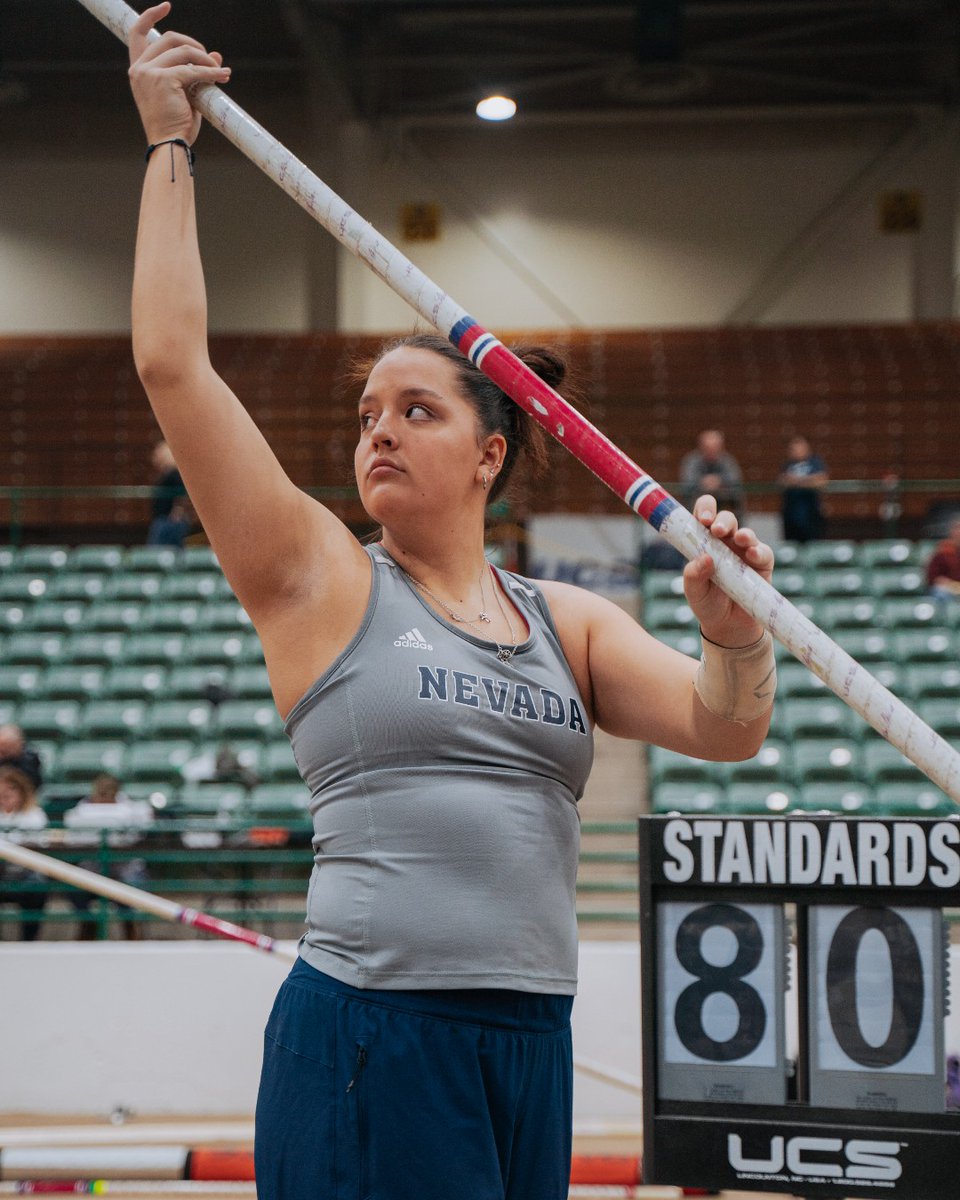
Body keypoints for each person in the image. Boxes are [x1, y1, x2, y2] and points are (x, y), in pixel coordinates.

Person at [126, 8, 777, 1198]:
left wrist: (735, 638)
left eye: (416, 410)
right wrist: (170, 145)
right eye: (368, 412)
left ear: (491, 456)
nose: (379, 428)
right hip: (374, 1031)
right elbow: (174, 364)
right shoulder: (321, 577)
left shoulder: (563, 620)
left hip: (529, 1042)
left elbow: (727, 727)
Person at [62, 773, 154, 940]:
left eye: (109, 791)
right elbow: (72, 837)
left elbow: (140, 833)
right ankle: (88, 923)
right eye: (101, 791)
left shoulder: (131, 809)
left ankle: (131, 928)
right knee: (73, 887)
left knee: (133, 884)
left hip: (124, 869)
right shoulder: (81, 810)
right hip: (92, 868)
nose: (104, 795)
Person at [0, 766, 49, 941]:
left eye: (11, 790)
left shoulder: (34, 814)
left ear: (22, 791)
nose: (5, 795)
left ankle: (29, 939)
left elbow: (39, 841)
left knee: (37, 886)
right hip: (2, 872)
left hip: (26, 871)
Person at [679, 428, 744, 518]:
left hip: (722, 498)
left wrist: (719, 481)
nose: (711, 451)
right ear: (701, 447)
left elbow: (735, 480)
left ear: (721, 447)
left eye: (714, 447)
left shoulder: (728, 460)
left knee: (736, 497)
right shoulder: (692, 460)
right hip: (698, 499)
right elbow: (687, 482)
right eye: (708, 448)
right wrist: (703, 482)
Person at [777, 435, 829, 543]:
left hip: (811, 511)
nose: (795, 451)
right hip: (791, 512)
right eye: (792, 449)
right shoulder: (787, 465)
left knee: (812, 542)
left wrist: (797, 481)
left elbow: (821, 480)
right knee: (791, 544)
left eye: (798, 448)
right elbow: (782, 481)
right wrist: (807, 481)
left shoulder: (815, 462)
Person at [147, 438, 193, 545]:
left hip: (168, 521)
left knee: (159, 553)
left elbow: (183, 493)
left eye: (158, 453)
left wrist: (178, 510)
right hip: (164, 519)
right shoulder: (168, 472)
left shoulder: (174, 473)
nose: (155, 457)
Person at [0, 724, 43, 791]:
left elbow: (31, 784)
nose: (6, 750)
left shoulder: (30, 760)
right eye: (3, 746)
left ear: (20, 744)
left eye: (10, 746)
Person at [926, 515, 960, 600]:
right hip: (949, 588)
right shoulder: (942, 551)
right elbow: (933, 577)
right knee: (940, 593)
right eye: (957, 528)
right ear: (952, 531)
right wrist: (946, 583)